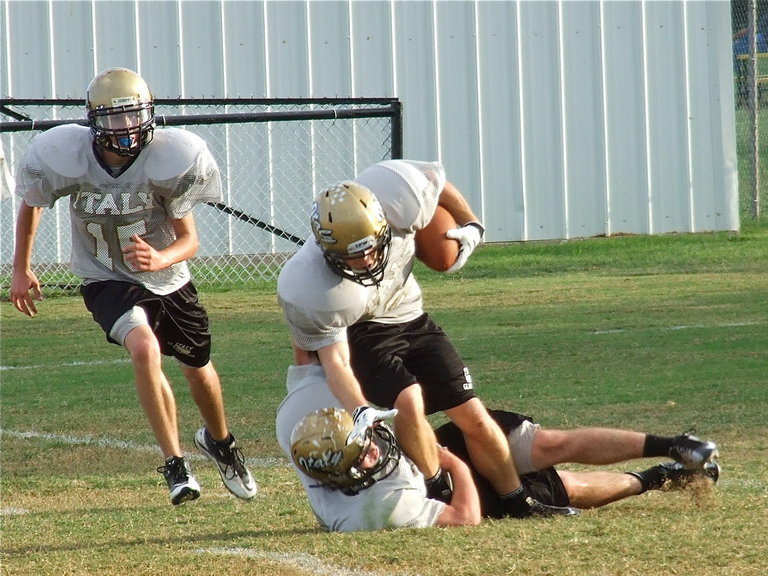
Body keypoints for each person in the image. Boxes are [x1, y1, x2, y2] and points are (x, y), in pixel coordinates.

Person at [10, 67, 257, 505]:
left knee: (198, 368)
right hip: (105, 277)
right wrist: (21, 267)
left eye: (131, 116)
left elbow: (190, 240)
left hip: (168, 280)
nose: (123, 128)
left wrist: (160, 257)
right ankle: (175, 464)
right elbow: (33, 203)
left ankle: (220, 441)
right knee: (144, 348)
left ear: (148, 115)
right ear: (92, 121)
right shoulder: (68, 155)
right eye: (112, 118)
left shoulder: (168, 158)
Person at [277, 160, 546, 518]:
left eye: (371, 247)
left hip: (411, 315)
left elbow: (437, 183)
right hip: (363, 328)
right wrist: (360, 408)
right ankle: (436, 486)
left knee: (474, 414)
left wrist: (471, 222)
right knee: (409, 398)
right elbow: (335, 361)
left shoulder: (396, 195)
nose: (367, 260)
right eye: (353, 255)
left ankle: (518, 500)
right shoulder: (315, 288)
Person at [274, 364, 720, 532]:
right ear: (347, 475)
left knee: (548, 445)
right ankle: (659, 478)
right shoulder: (373, 511)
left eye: (366, 439)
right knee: (563, 486)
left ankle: (677, 445)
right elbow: (464, 517)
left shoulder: (306, 416)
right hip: (444, 486)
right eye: (364, 453)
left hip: (435, 444)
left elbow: (313, 356)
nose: (373, 447)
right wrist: (452, 466)